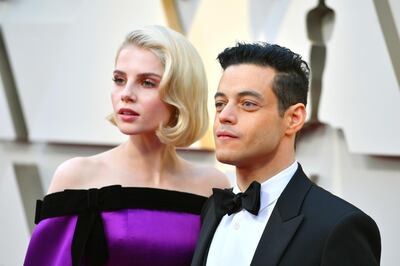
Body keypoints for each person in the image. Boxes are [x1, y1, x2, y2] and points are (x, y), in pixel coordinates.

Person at [24, 25, 229, 266]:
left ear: (181, 93)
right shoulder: (78, 175)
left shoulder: (213, 185)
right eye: (119, 80)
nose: (126, 94)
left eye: (147, 83)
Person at [191, 43, 381, 266]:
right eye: (220, 103)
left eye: (248, 104)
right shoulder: (212, 208)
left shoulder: (338, 226)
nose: (225, 116)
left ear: (294, 118)